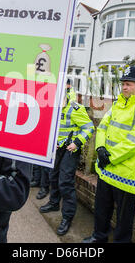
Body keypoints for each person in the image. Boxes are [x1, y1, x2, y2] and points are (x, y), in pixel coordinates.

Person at [83, 65, 135, 243]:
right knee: (102, 208)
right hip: (106, 169)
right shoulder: (117, 105)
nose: (124, 87)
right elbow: (102, 127)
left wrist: (109, 157)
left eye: (129, 84)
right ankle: (98, 237)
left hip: (125, 172)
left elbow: (134, 142)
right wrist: (100, 149)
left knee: (124, 219)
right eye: (123, 83)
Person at [40, 86, 94, 236]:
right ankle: (54, 203)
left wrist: (77, 142)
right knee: (53, 176)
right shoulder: (54, 105)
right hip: (58, 148)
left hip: (71, 149)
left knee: (65, 182)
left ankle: (67, 217)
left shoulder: (75, 108)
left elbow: (89, 128)